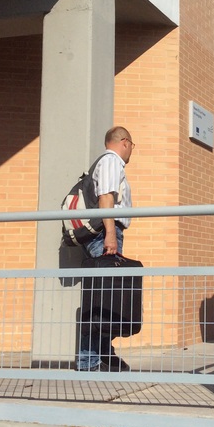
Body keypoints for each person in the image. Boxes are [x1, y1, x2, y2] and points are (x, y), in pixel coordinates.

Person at [77, 126, 135, 371]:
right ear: (125, 142)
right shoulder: (111, 161)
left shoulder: (107, 162)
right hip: (105, 232)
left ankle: (103, 354)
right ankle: (89, 360)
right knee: (101, 298)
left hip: (105, 232)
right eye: (132, 146)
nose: (132, 151)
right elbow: (106, 199)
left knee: (107, 298)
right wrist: (110, 234)